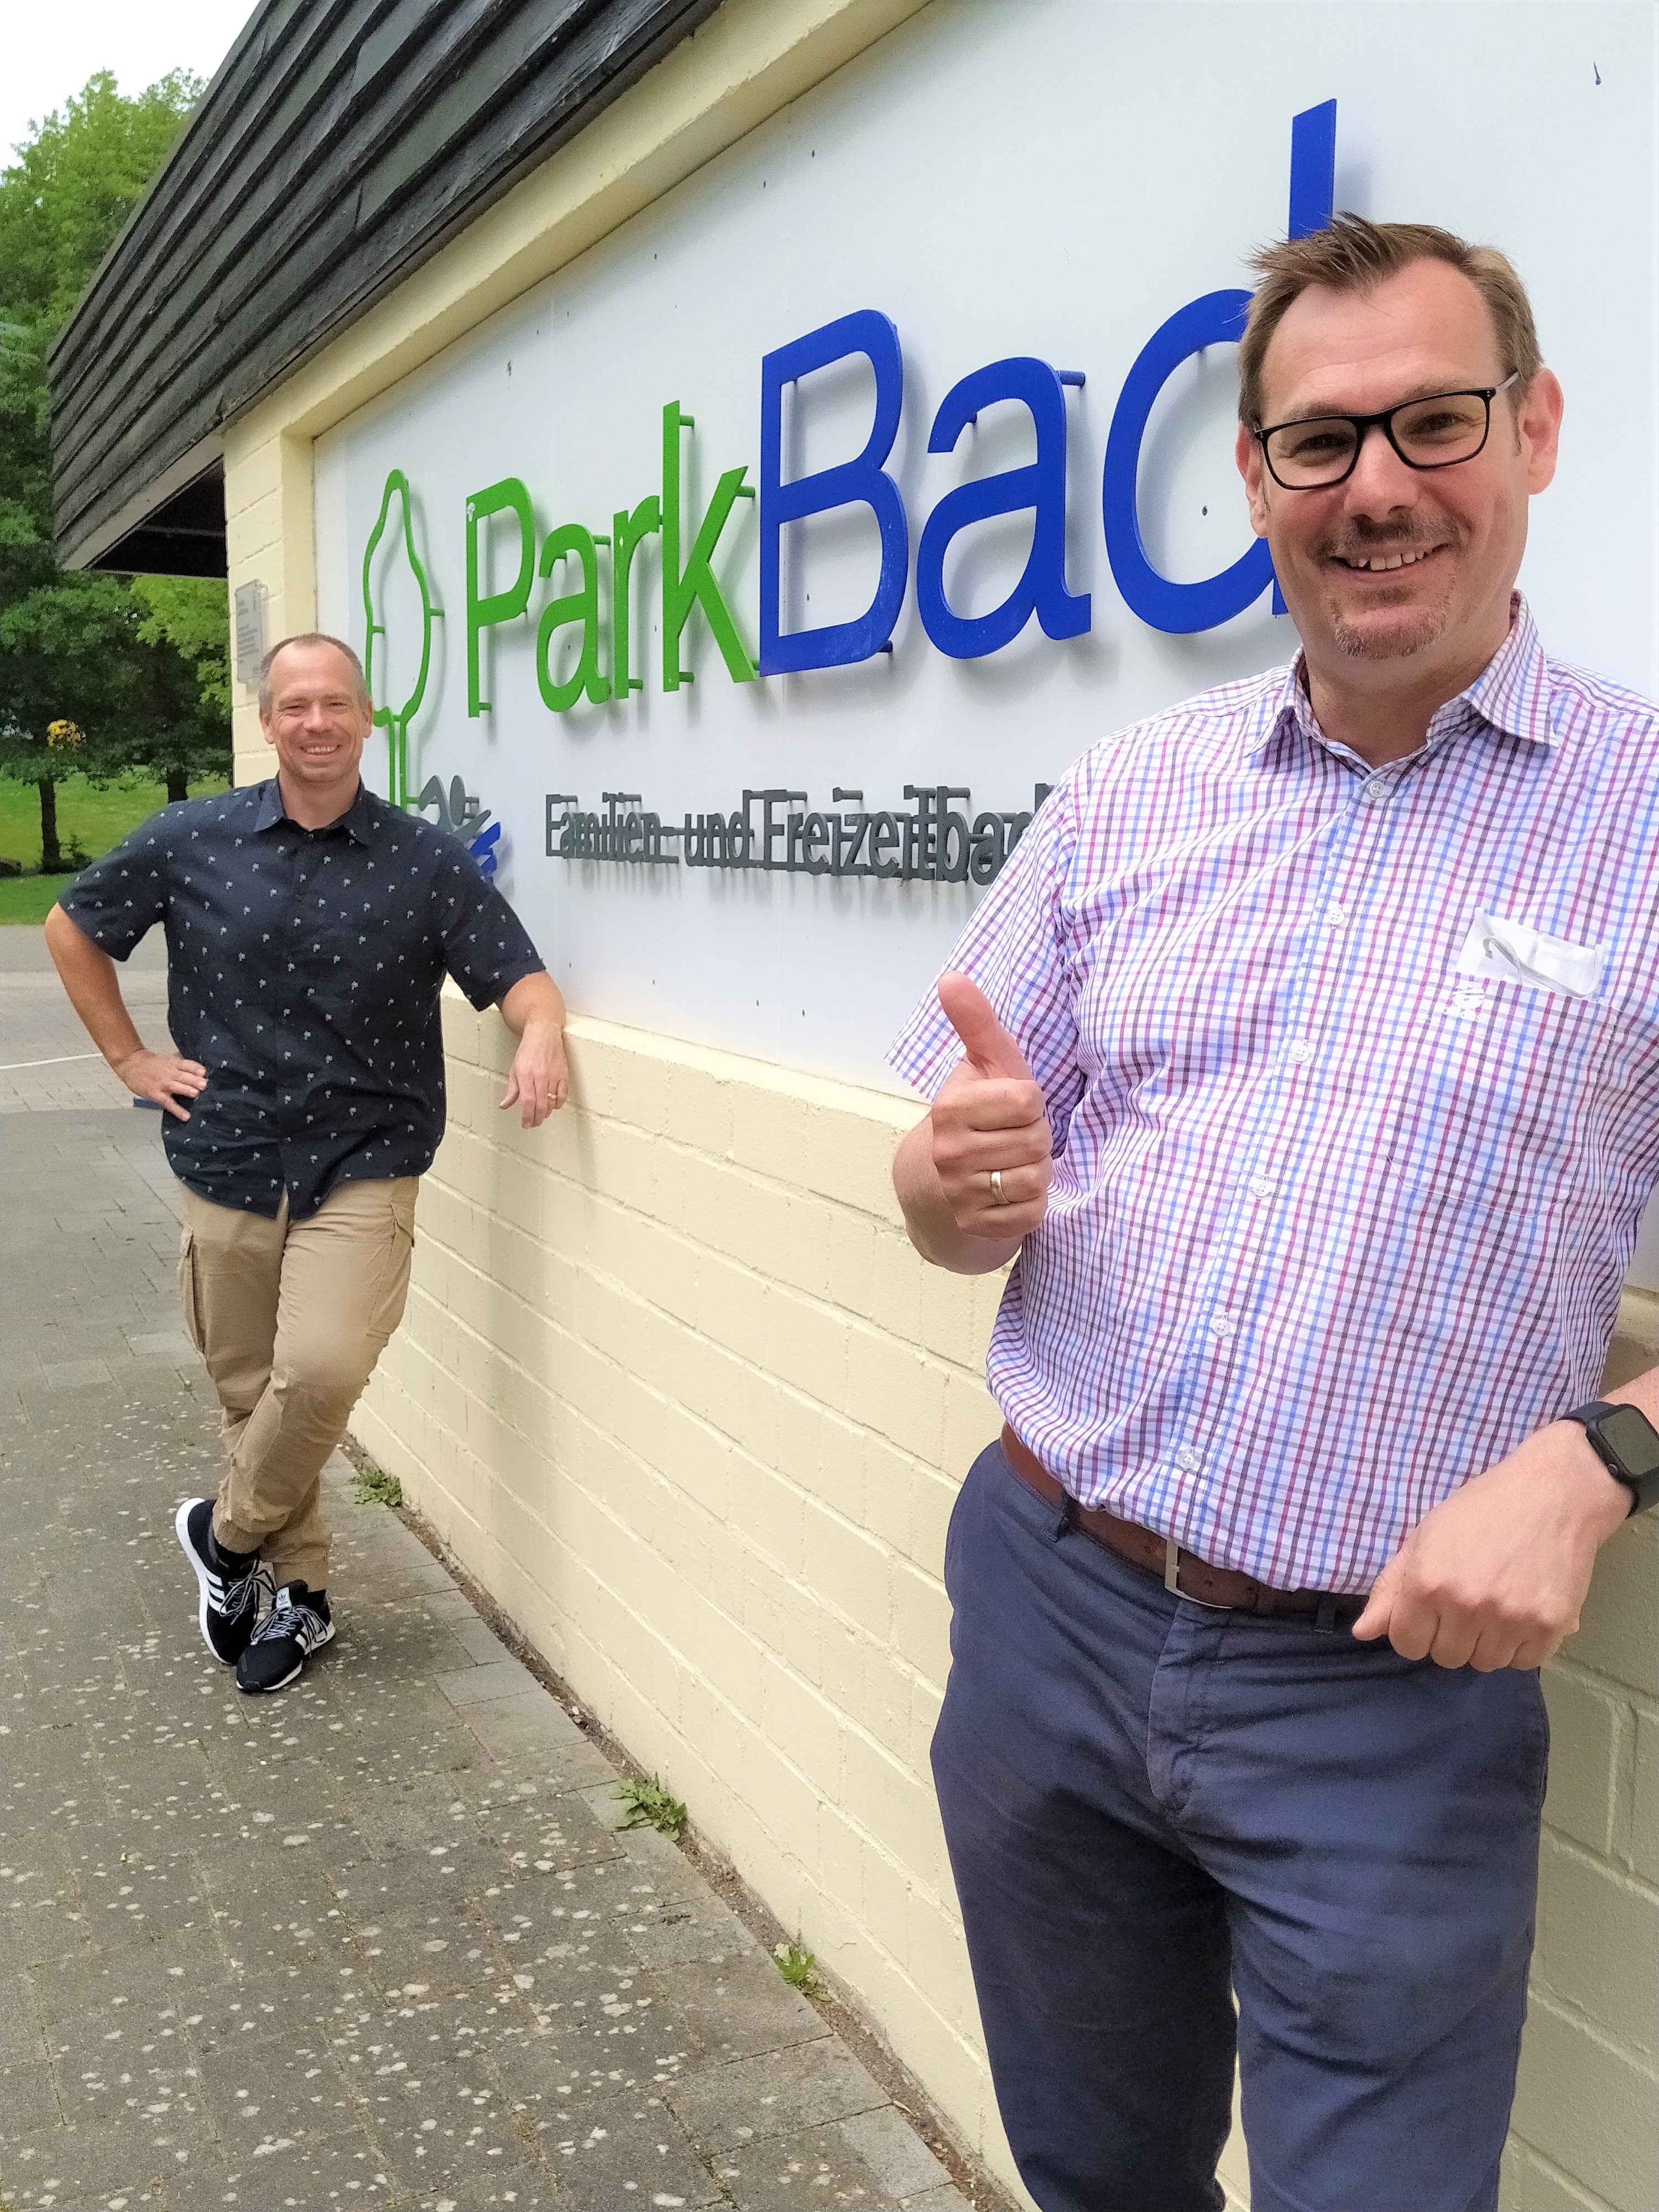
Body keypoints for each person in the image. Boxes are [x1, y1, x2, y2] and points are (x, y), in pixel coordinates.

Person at [887, 217, 1659, 2212]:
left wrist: (1603, 1458)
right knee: (1094, 2179)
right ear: (1253, 480)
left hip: (1385, 1714)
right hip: (1050, 1608)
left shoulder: (1650, 823)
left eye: (1434, 421)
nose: (1379, 486)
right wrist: (939, 1189)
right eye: (1320, 441)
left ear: (1537, 429)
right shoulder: (1133, 794)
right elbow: (952, 1167)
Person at [46, 633, 570, 1695]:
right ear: (268, 722)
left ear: (367, 719)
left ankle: (226, 1539)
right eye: (295, 706)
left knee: (321, 1370)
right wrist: (127, 1057)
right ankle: (303, 1593)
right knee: (251, 1389)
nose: (316, 722)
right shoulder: (192, 838)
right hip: (226, 1149)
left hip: (364, 1159)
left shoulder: (424, 861)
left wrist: (543, 1032)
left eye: (336, 703)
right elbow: (72, 928)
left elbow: (518, 975)